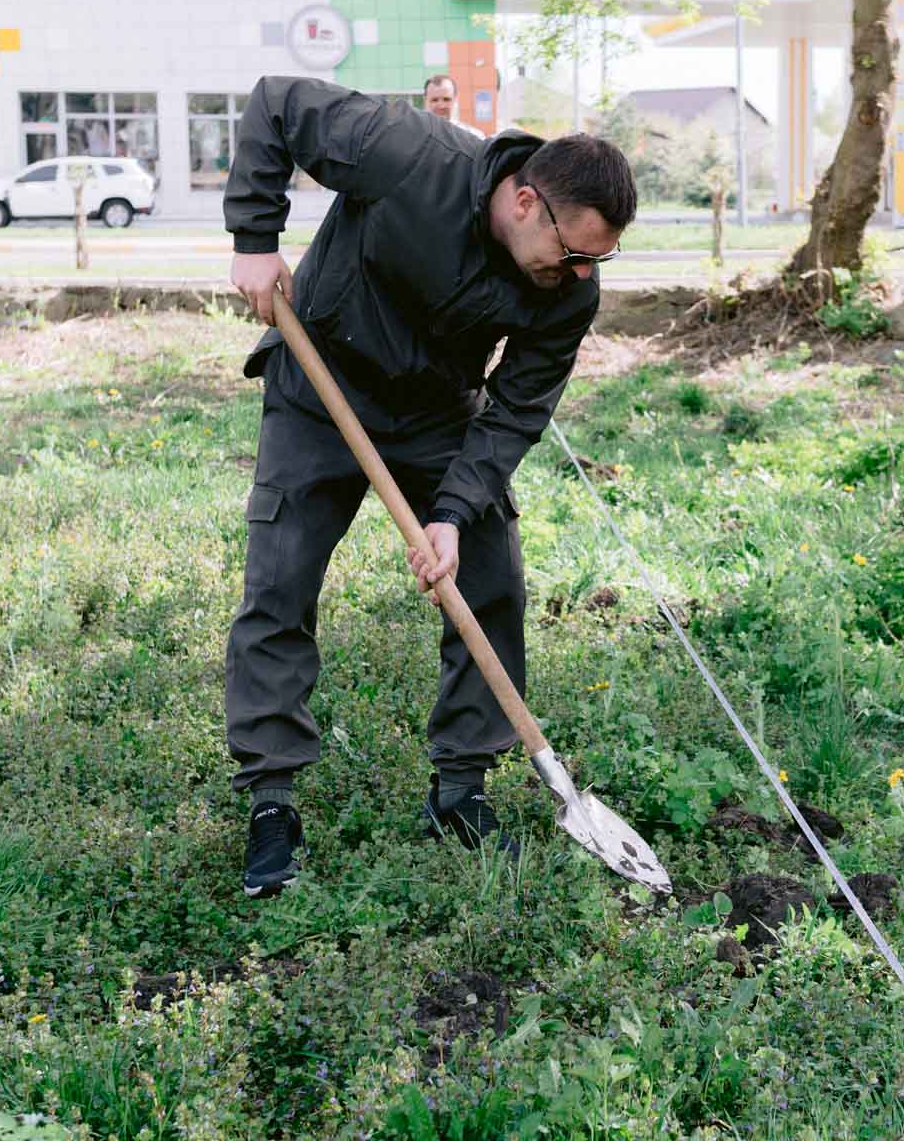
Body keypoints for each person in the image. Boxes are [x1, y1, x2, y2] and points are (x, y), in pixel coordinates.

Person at [224, 74, 633, 898]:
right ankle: (272, 799)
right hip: (320, 388)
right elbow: (276, 104)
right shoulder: (409, 154)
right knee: (281, 579)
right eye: (575, 249)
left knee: (492, 583)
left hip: (440, 413)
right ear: (524, 203)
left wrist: (451, 510)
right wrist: (254, 239)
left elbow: (518, 407)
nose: (583, 271)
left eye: (600, 257)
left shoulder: (569, 290)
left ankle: (460, 790)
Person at [424, 73, 486, 138]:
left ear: (455, 99)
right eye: (435, 100)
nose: (441, 106)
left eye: (446, 99)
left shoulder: (474, 137)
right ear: (426, 100)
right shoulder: (416, 138)